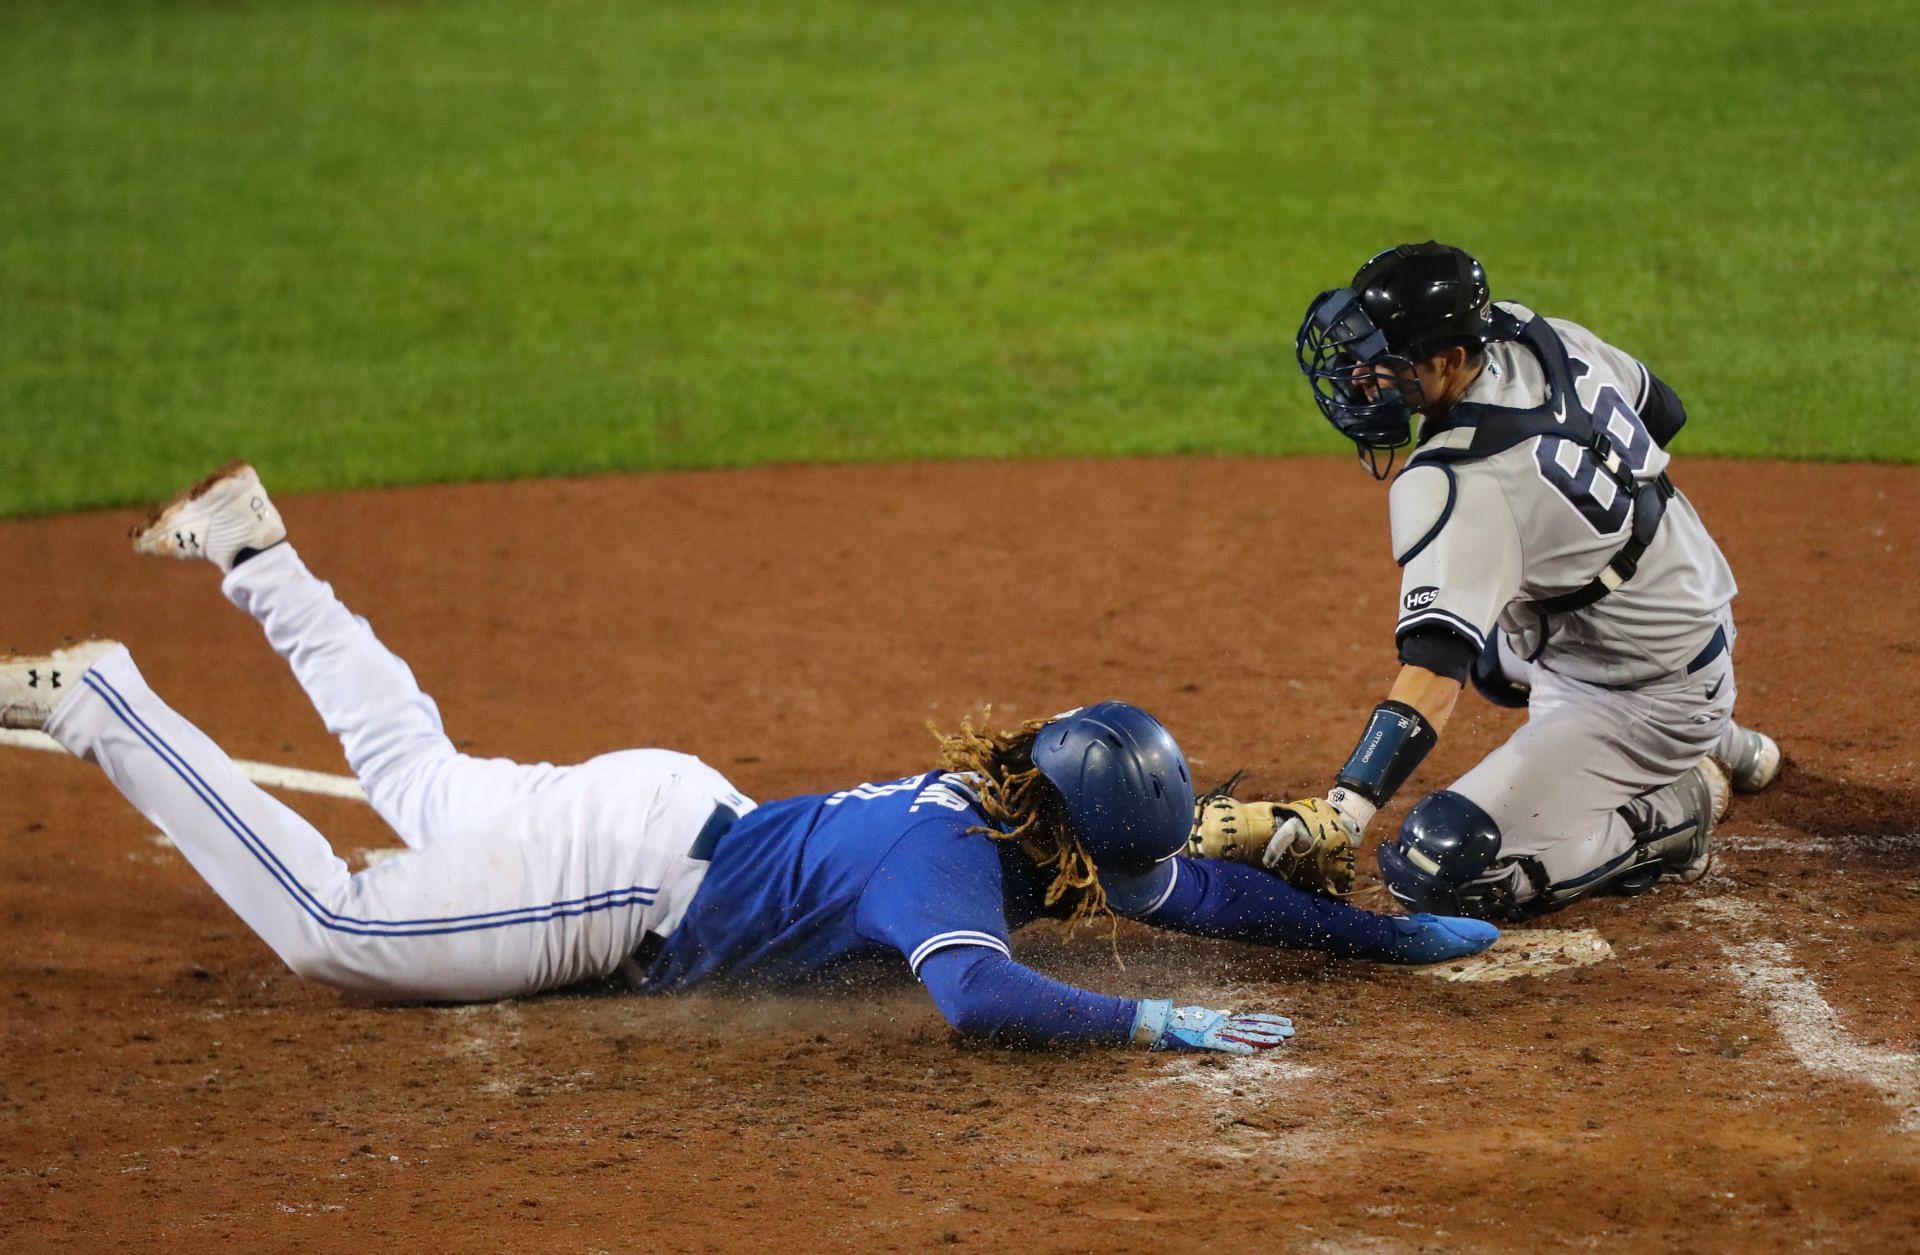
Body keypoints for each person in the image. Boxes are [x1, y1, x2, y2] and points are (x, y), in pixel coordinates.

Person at [0, 463, 1498, 1055]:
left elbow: (1203, 895)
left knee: (417, 771)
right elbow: (979, 995)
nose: (1128, 883)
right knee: (335, 923)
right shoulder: (948, 866)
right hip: (617, 883)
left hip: (661, 804)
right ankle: (103, 698)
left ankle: (259, 550)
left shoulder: (1023, 790)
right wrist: (1153, 1025)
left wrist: (1381, 942)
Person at [1263, 242, 1782, 920]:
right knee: (1495, 653)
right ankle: (1724, 736)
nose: (1362, 378)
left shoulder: (1457, 481)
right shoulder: (1538, 333)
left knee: (1439, 864)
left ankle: (1669, 812)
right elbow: (1665, 410)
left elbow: (1432, 668)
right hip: (1684, 601)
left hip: (1639, 695)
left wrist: (1346, 810)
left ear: (1448, 361)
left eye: (1383, 364)